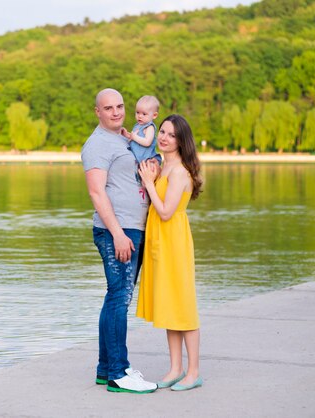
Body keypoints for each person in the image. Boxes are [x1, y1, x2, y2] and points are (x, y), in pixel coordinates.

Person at [81, 88, 161, 394]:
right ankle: (118, 372)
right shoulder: (98, 144)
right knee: (119, 298)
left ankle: (107, 368)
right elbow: (96, 192)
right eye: (108, 108)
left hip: (133, 228)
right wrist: (117, 233)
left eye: (120, 106)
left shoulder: (124, 139)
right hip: (118, 230)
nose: (116, 112)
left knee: (115, 296)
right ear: (97, 112)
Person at [135, 114, 204, 391]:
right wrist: (150, 179)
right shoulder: (163, 167)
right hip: (159, 243)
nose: (163, 137)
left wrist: (149, 183)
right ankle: (175, 368)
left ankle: (193, 372)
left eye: (171, 134)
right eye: (161, 131)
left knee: (183, 306)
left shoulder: (179, 173)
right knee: (169, 305)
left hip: (173, 241)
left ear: (181, 141)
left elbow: (165, 212)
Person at [120, 95, 160, 165]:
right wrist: (127, 135)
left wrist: (134, 137)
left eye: (144, 114)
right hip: (136, 160)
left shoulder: (149, 127)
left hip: (146, 161)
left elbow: (147, 142)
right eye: (137, 112)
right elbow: (135, 139)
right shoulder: (137, 125)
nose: (140, 116)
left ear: (154, 115)